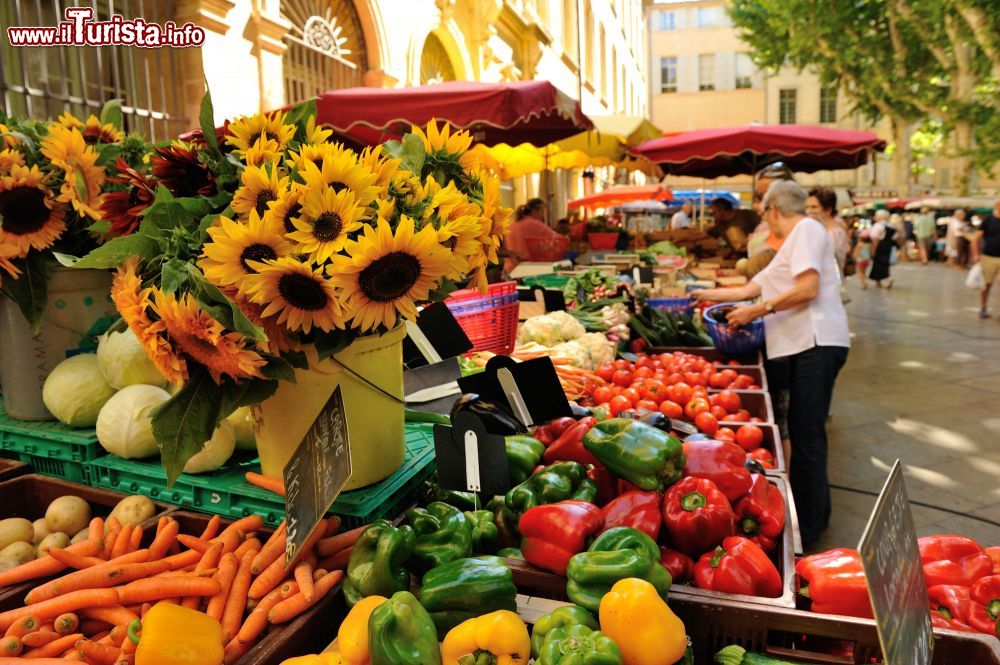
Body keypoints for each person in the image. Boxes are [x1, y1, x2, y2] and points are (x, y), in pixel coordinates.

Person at [693, 180, 850, 548]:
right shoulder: (791, 243)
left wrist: (758, 310)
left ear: (774, 209)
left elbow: (807, 288)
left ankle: (809, 530)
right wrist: (697, 294)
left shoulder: (807, 229)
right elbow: (749, 289)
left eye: (764, 212)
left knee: (808, 435)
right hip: (805, 345)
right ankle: (814, 517)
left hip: (817, 341)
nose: (766, 220)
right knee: (802, 429)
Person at [502, 198, 559, 274]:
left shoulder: (511, 225)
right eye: (542, 212)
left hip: (509, 271)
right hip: (528, 272)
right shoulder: (535, 224)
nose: (543, 216)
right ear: (534, 211)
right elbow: (559, 239)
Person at [806, 187, 849, 273]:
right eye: (807, 207)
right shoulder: (819, 228)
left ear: (828, 210)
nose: (808, 211)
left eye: (814, 207)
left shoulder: (834, 233)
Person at [976, 200, 1000, 319]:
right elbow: (977, 237)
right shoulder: (988, 220)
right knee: (987, 284)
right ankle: (983, 307)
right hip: (989, 256)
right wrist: (976, 254)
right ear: (997, 207)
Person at [869, 209, 895, 288]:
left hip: (880, 246)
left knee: (878, 263)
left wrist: (873, 249)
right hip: (888, 246)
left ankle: (887, 278)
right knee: (883, 263)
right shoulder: (890, 225)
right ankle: (878, 282)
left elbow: (875, 239)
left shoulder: (878, 226)